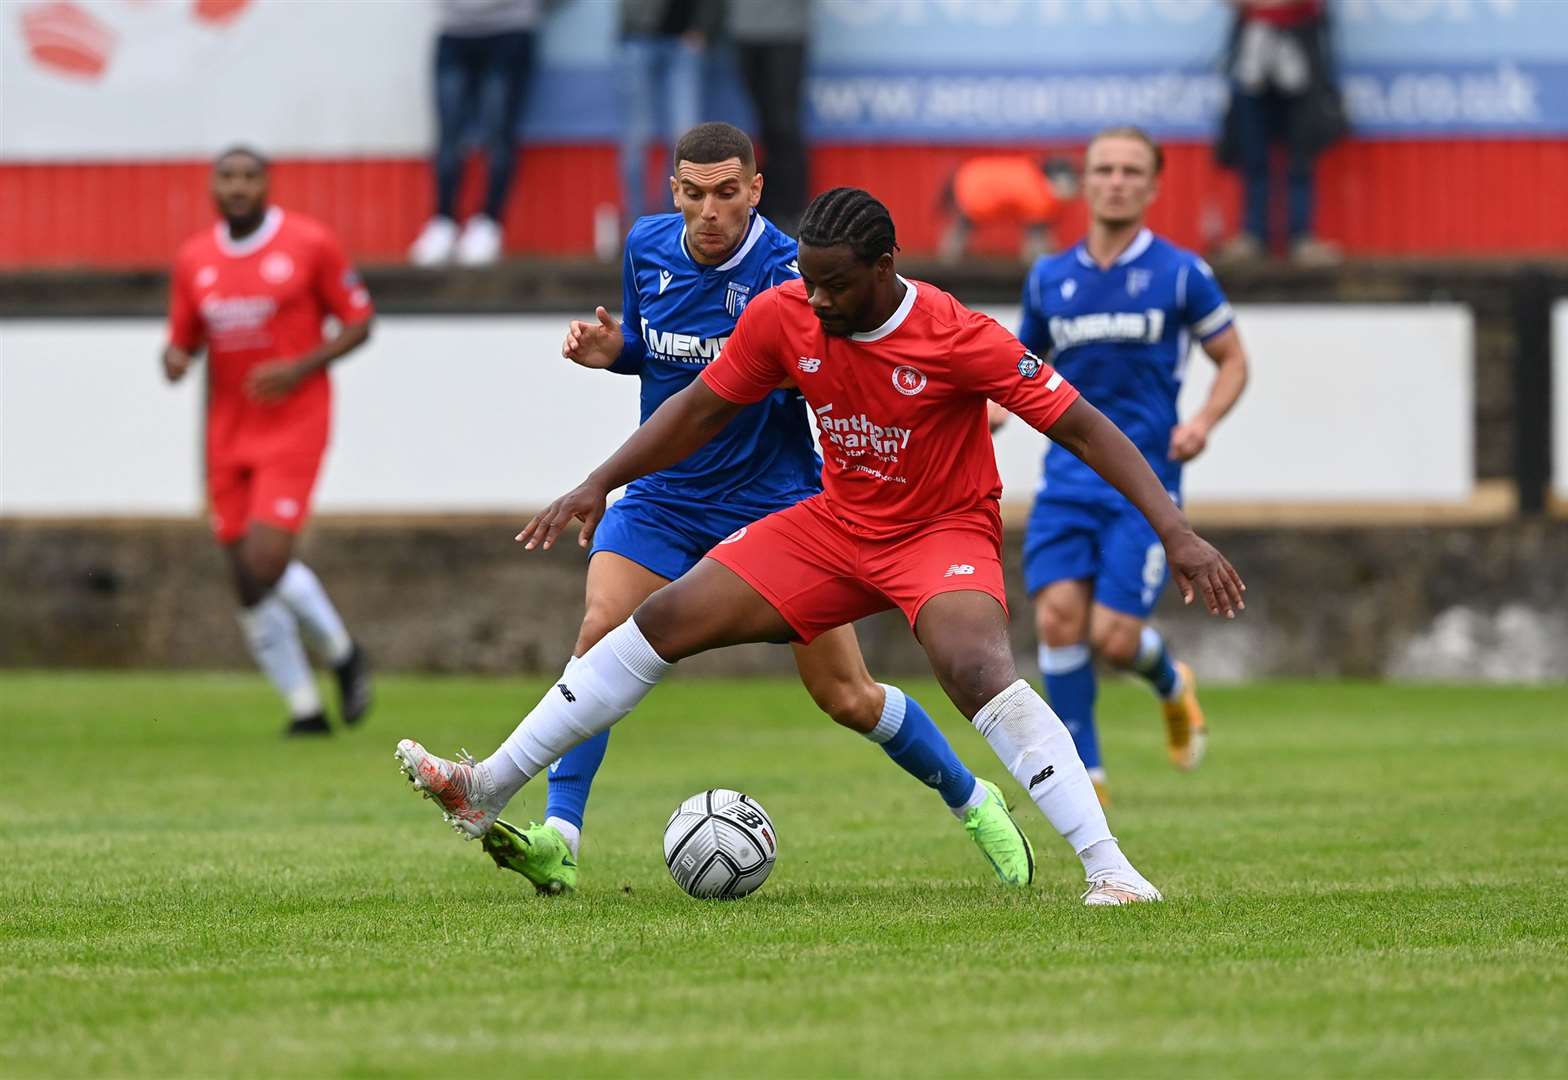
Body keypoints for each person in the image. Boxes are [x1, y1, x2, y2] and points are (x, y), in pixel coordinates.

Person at [396, 186, 1246, 905]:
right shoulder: (787, 312)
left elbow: (1087, 428)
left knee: (972, 666)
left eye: (836, 284)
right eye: (808, 279)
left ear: (886, 268)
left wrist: (1176, 533)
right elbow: (697, 410)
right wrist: (597, 480)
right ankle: (486, 788)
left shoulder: (957, 334)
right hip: (834, 525)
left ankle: (1112, 872)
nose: (819, 300)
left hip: (939, 531)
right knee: (659, 620)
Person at [476, 122, 1034, 895]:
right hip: (669, 494)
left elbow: (837, 365)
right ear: (673, 190)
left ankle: (973, 800)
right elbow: (667, 351)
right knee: (601, 632)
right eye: (693, 193)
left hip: (776, 501)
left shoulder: (793, 269)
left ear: (755, 191)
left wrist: (947, 405)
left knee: (847, 696)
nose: (709, 211)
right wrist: (620, 354)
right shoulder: (645, 246)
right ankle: (559, 837)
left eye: (727, 193)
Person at [1012, 127, 1250, 806]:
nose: (1116, 181)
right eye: (1104, 169)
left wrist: (1201, 421)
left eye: (1130, 171)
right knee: (1058, 618)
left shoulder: (1181, 273)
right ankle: (1087, 774)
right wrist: (992, 410)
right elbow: (1022, 367)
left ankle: (1172, 683)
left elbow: (1232, 359)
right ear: (1085, 182)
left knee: (1113, 640)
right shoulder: (1049, 277)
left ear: (1152, 186)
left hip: (1146, 488)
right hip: (1067, 480)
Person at [165, 147, 375, 736]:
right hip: (227, 432)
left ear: (266, 186)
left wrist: (299, 367)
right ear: (213, 188)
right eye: (226, 177)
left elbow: (359, 321)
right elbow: (183, 339)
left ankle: (343, 652)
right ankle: (305, 709)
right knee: (243, 576)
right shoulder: (195, 259)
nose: (237, 187)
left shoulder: (309, 244)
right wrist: (174, 359)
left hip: (293, 423)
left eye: (248, 177)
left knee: (267, 558)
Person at [408, 0, 542, 267]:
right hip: (454, 30)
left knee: (499, 133)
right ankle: (443, 221)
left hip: (511, 29)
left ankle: (489, 223)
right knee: (448, 135)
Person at [1214, 0, 1347, 264]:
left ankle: (1302, 238)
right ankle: (1252, 237)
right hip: (1252, 60)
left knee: (1301, 157)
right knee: (1253, 157)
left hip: (1301, 58)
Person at [617, 0, 715, 230]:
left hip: (684, 38)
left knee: (685, 140)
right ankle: (637, 226)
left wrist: (704, 28)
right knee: (636, 137)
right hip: (638, 37)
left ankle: (671, 224)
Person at [726, 0, 809, 234]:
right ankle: (768, 210)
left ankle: (793, 212)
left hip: (785, 32)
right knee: (761, 127)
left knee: (783, 124)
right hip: (743, 32)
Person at [939, 155, 1079, 264]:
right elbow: (1037, 233)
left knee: (964, 224)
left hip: (973, 178)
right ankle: (949, 258)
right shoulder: (1038, 195)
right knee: (965, 223)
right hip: (978, 187)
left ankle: (949, 257)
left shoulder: (1035, 184)